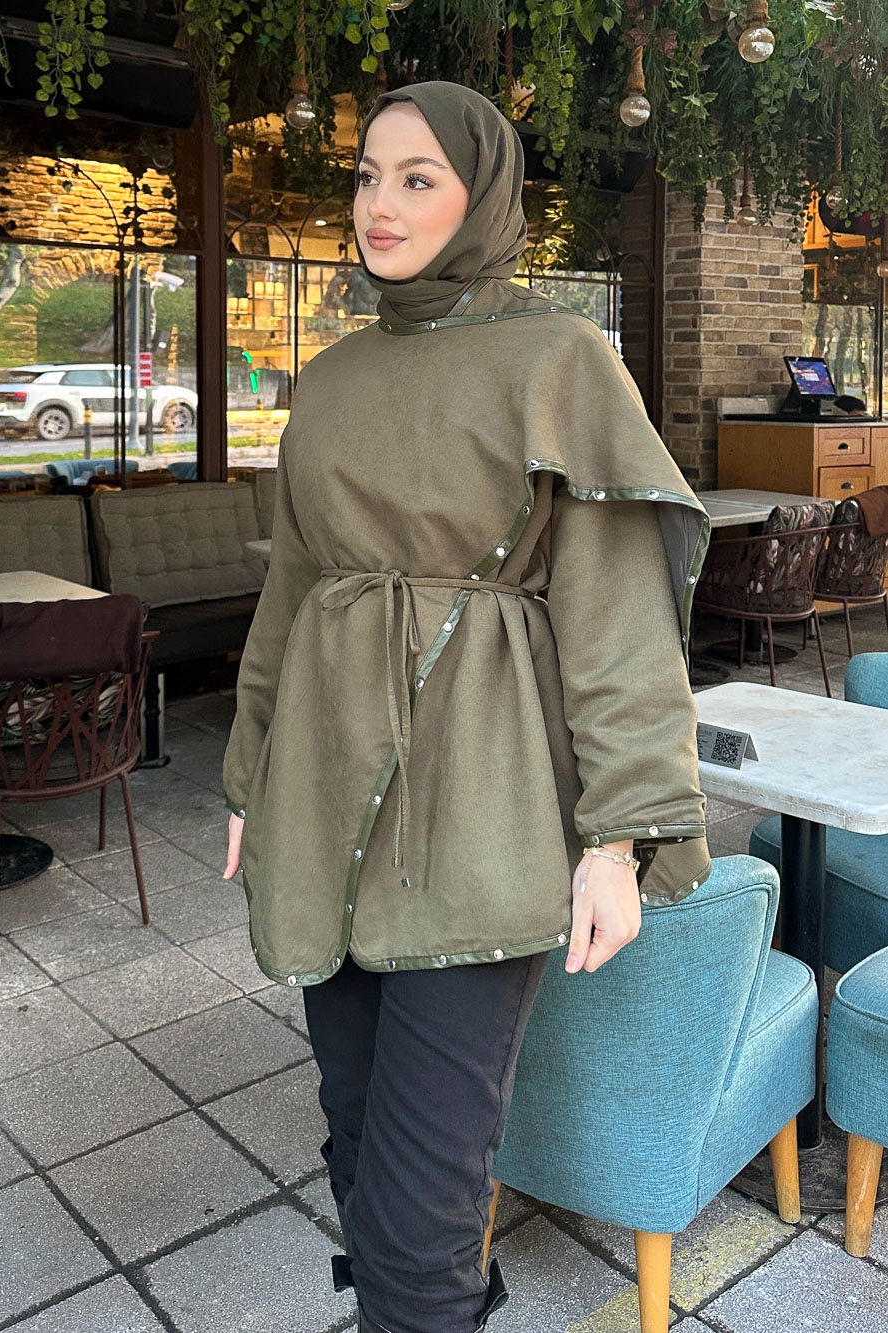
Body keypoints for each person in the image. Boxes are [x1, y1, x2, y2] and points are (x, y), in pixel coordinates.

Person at [222, 80, 711, 1333]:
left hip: (483, 802)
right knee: (353, 1117)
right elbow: (292, 592)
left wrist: (618, 838)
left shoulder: (558, 358)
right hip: (324, 787)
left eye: (417, 178)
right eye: (366, 176)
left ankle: (423, 1301)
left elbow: (615, 620)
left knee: (427, 1171)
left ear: (482, 194)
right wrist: (249, 773)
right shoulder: (330, 379)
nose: (378, 205)